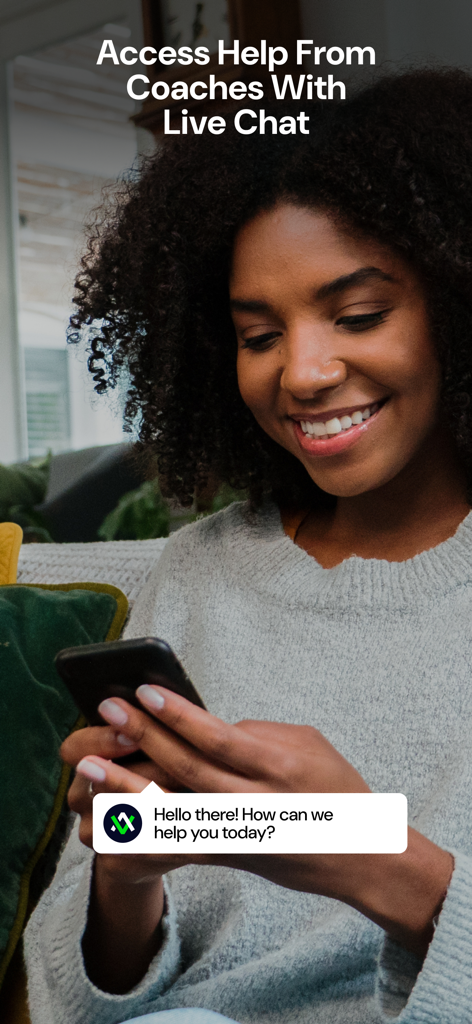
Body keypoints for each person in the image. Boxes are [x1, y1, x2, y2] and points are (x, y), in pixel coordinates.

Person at [24, 70, 472, 1024]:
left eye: (358, 316)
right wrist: (128, 877)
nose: (302, 373)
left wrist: (372, 858)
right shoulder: (198, 572)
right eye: (258, 334)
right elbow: (71, 1002)